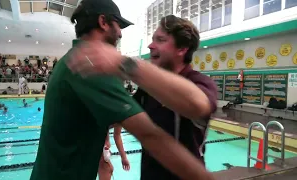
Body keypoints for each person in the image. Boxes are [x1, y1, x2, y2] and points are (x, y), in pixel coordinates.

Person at [30, 0, 214, 180]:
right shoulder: (91, 66)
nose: (120, 33)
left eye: (160, 39)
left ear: (182, 49)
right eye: (118, 25)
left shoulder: (78, 61)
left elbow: (198, 104)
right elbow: (148, 134)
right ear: (103, 22)